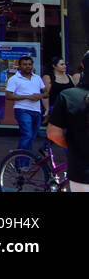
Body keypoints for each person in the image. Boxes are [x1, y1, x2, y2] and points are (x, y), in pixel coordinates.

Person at [48, 50, 89, 192]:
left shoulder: (69, 96)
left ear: (83, 66)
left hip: (81, 173)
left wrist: (75, 146)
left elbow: (53, 133)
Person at [4, 56, 46, 152]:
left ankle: (26, 161)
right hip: (22, 109)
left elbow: (46, 93)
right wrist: (27, 97)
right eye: (25, 64)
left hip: (36, 110)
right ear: (19, 66)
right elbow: (9, 96)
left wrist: (40, 96)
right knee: (27, 135)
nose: (27, 66)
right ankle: (20, 163)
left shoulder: (37, 78)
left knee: (32, 137)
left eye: (29, 64)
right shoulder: (14, 79)